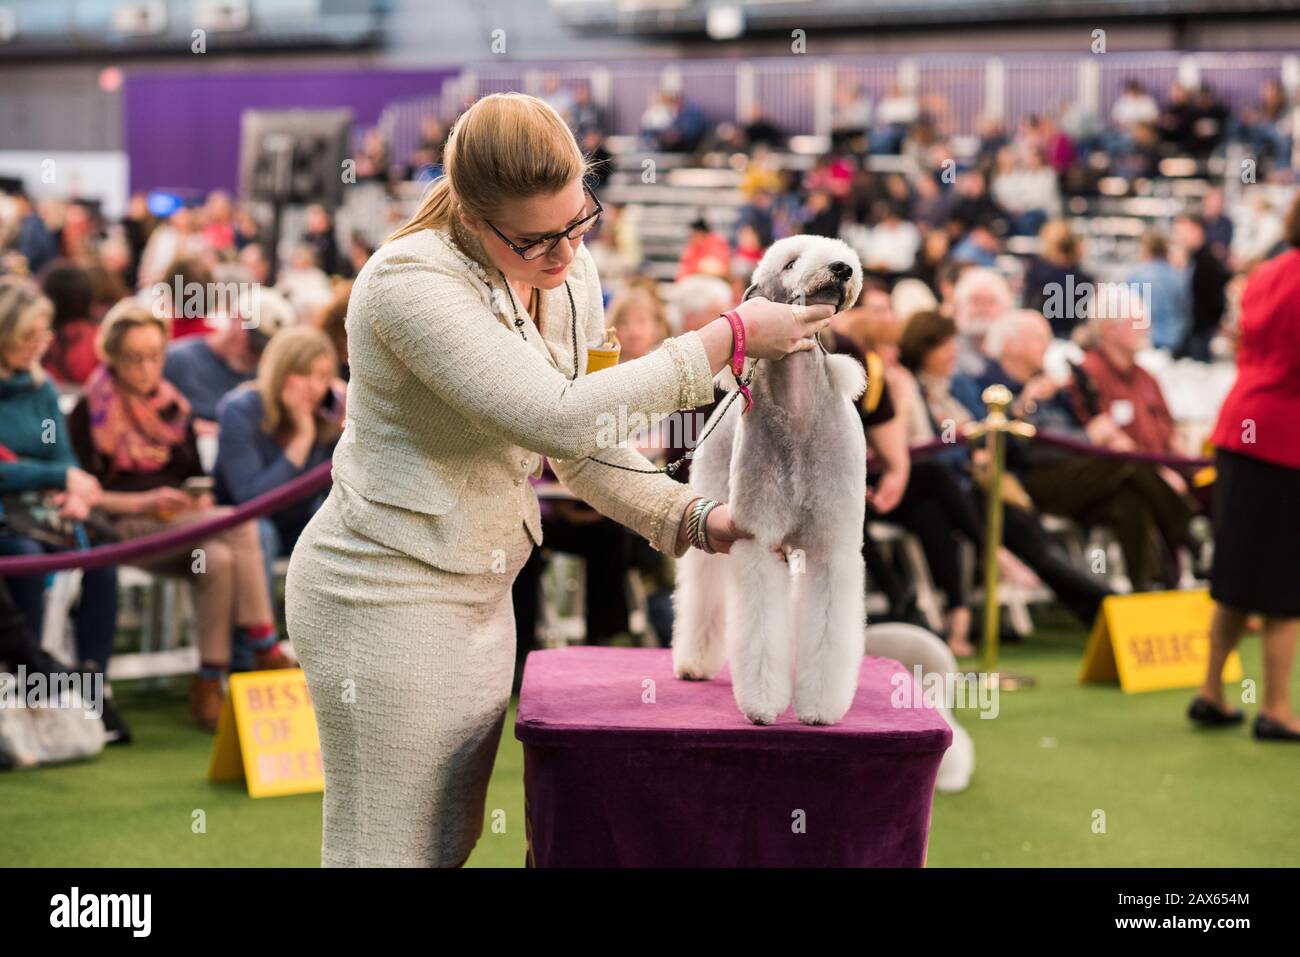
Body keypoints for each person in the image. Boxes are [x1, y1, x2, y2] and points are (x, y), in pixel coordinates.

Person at [283, 93, 835, 868]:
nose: (565, 254)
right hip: (381, 594)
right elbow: (559, 418)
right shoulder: (406, 283)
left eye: (579, 221)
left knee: (447, 840)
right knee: (385, 852)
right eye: (536, 239)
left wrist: (700, 517)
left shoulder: (568, 274)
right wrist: (730, 336)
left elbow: (587, 447)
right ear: (473, 219)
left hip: (481, 591)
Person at [67, 299, 292, 731]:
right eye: (135, 358)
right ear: (112, 355)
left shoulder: (174, 407)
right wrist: (146, 502)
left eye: (155, 357)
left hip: (175, 529)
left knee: (219, 557)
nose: (147, 368)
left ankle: (209, 680)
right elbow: (85, 492)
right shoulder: (88, 411)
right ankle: (264, 643)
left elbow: (193, 475)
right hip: (116, 529)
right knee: (242, 523)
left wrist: (195, 499)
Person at [1193, 195, 1300, 741]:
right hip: (1286, 441)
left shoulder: (1266, 271)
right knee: (1286, 583)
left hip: (1239, 426)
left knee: (1234, 572)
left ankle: (1212, 690)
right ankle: (1277, 708)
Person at [0, 278, 121, 722]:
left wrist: (73, 493)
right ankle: (29, 688)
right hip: (9, 521)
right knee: (26, 558)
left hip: (44, 511)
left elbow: (63, 455)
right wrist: (57, 475)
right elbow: (49, 467)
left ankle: (94, 684)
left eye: (44, 333)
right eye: (28, 334)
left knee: (103, 557)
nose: (39, 344)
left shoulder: (41, 386)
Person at [213, 325, 345, 589]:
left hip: (296, 524)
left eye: (322, 377)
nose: (314, 387)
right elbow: (251, 501)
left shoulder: (327, 418)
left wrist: (351, 428)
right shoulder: (240, 410)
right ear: (280, 372)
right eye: (303, 373)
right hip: (243, 528)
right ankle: (256, 631)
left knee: (334, 526)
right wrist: (301, 440)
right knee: (262, 532)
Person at [163, 285, 290, 425]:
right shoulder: (178, 360)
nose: (256, 352)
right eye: (254, 339)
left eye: (265, 346)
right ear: (235, 317)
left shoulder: (264, 379)